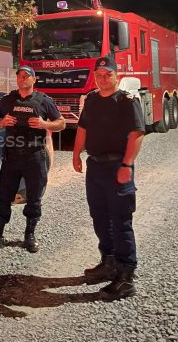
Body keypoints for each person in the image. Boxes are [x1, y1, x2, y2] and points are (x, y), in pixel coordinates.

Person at [72, 55, 145, 300]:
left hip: (117, 166)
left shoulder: (126, 100)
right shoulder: (92, 99)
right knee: (99, 216)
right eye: (99, 75)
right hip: (95, 166)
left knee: (120, 220)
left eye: (108, 75)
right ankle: (109, 262)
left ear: (117, 75)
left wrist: (127, 164)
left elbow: (136, 134)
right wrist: (76, 154)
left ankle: (126, 277)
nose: (103, 79)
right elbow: (83, 127)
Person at [0, 65, 66, 254]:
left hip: (34, 156)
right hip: (11, 156)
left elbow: (61, 123)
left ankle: (29, 235)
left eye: (26, 76)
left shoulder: (44, 101)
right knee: (3, 197)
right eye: (20, 76)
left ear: (34, 80)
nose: (22, 79)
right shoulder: (8, 100)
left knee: (34, 198)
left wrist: (44, 124)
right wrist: (2, 122)